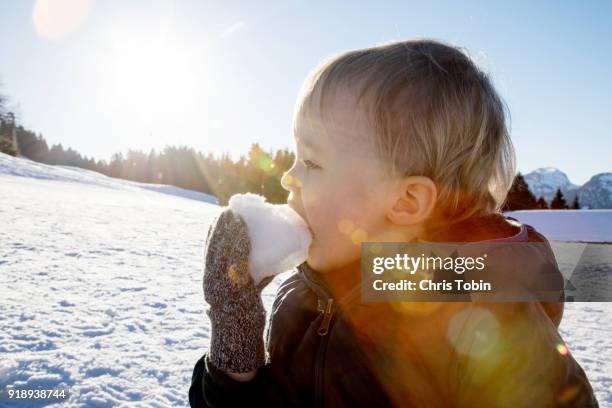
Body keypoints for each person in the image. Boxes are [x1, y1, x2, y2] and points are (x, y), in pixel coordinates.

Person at [189, 39, 599, 407]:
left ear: (405, 201)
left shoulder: (489, 328)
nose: (287, 177)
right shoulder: (302, 297)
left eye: (311, 161)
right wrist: (234, 348)